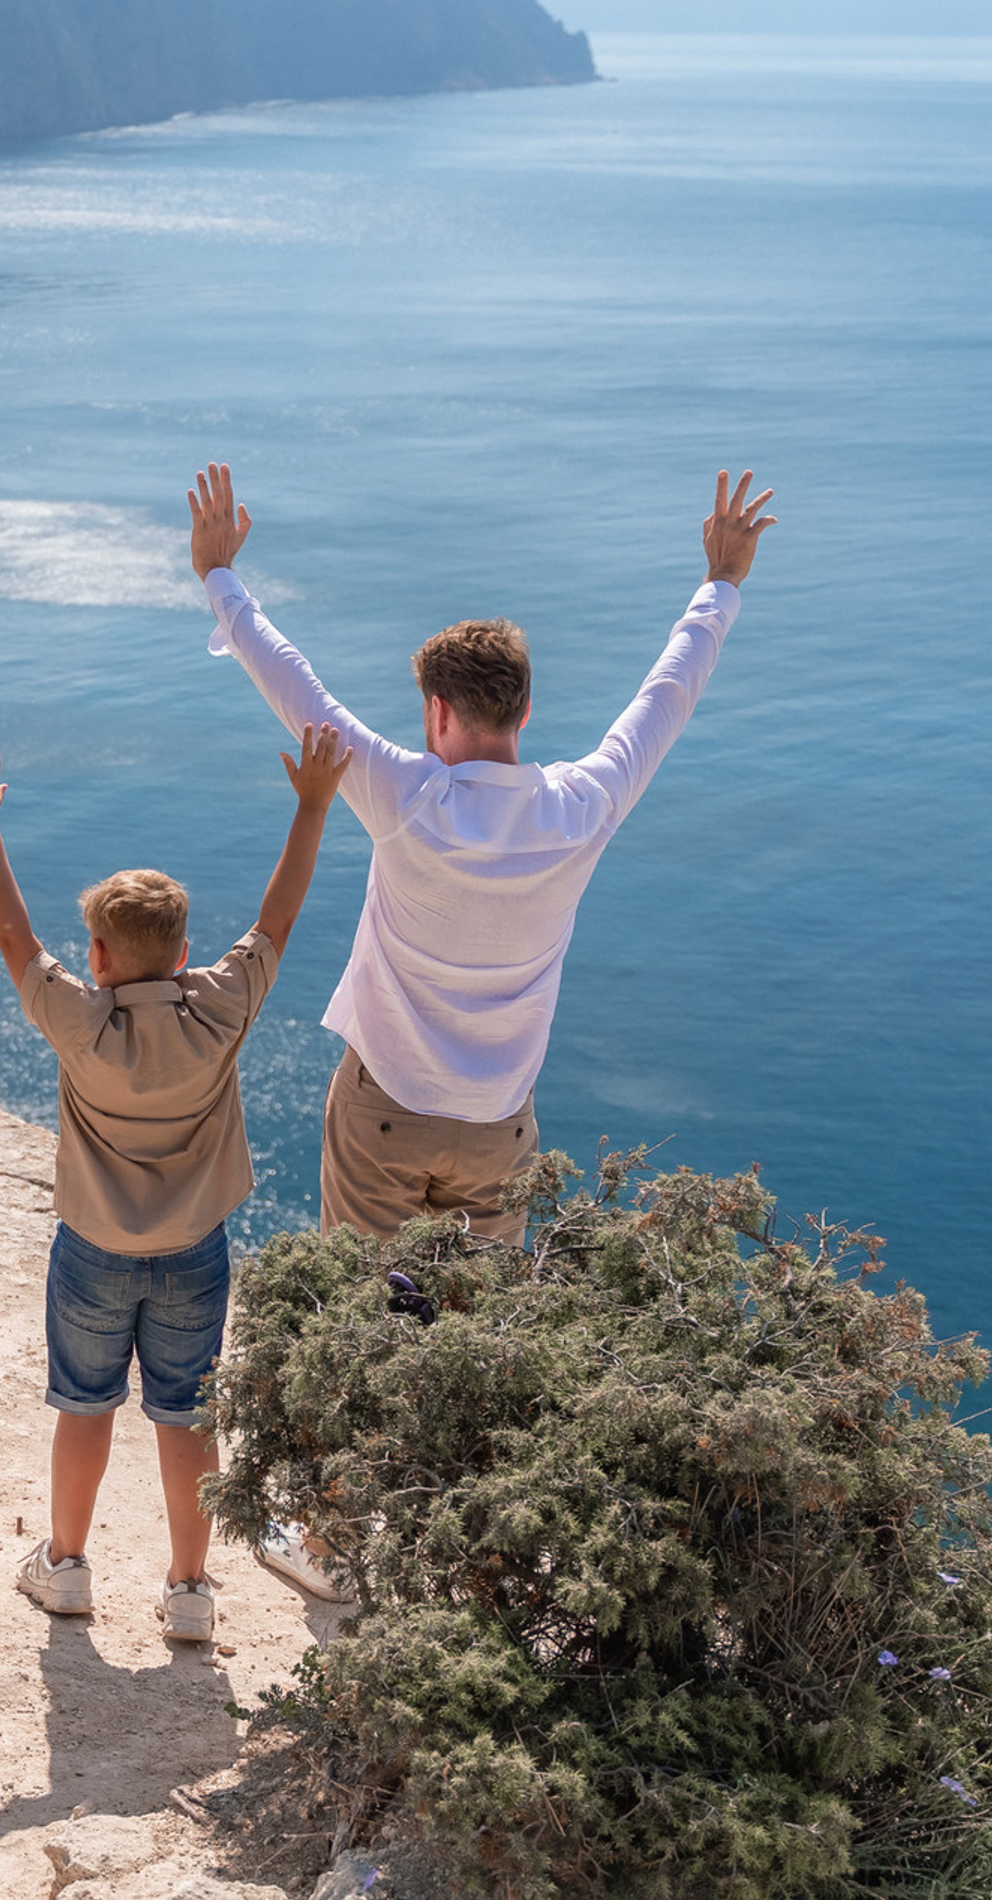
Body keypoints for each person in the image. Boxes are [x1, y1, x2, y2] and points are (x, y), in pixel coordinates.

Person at [187, 462, 776, 1605]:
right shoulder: (579, 805)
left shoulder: (404, 795)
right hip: (499, 1130)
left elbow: (293, 687)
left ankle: (338, 1543)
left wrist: (220, 575)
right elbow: (666, 697)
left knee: (359, 1315)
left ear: (438, 715)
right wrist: (718, 585)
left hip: (382, 1113)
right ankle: (460, 1545)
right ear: (517, 713)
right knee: (473, 1333)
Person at [0, 722, 352, 1646]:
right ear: (182, 953)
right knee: (186, 1418)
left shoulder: (78, 1020)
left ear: (94, 955)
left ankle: (64, 1567)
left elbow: (12, 932)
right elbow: (279, 918)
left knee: (83, 1408)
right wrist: (312, 805)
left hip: (92, 1251)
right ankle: (188, 1588)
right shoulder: (220, 1007)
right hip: (194, 1255)